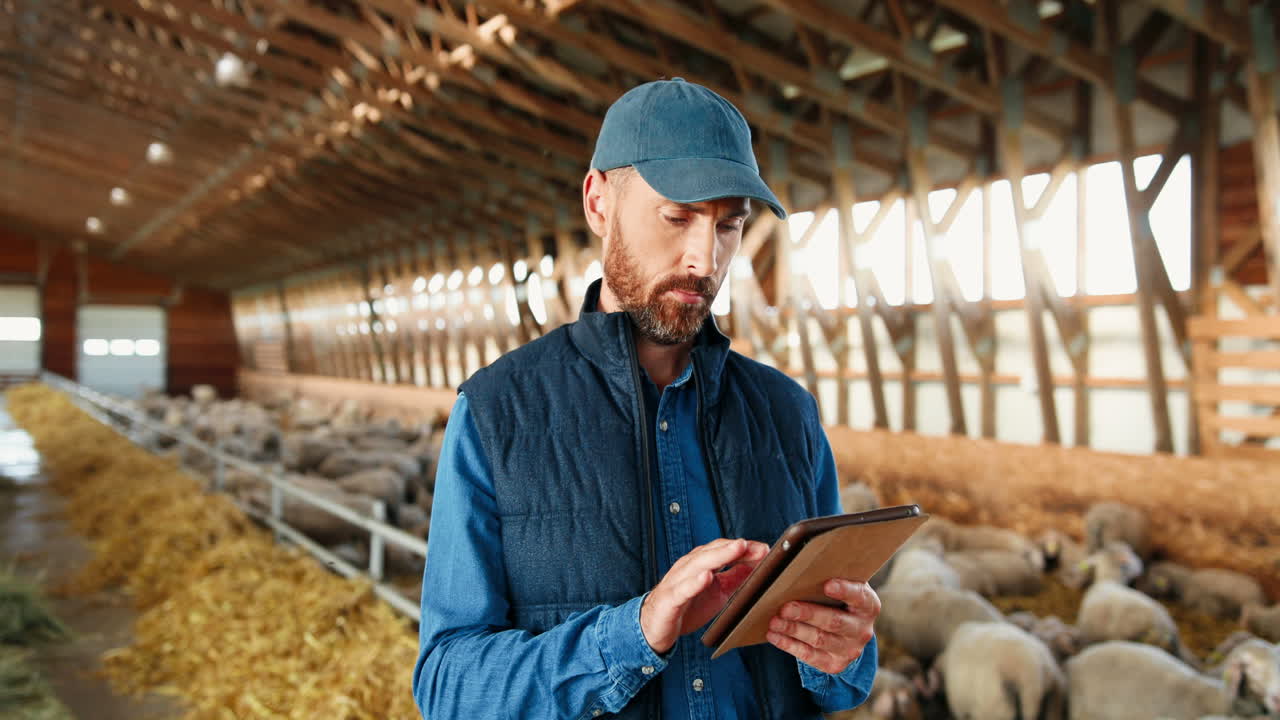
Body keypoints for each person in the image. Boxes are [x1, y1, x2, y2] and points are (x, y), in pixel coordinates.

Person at [412, 77, 879, 719]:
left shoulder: (787, 414)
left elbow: (841, 677)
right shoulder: (497, 414)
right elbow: (446, 688)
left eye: (728, 226)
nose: (704, 260)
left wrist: (846, 655)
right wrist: (632, 634)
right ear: (599, 203)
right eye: (677, 217)